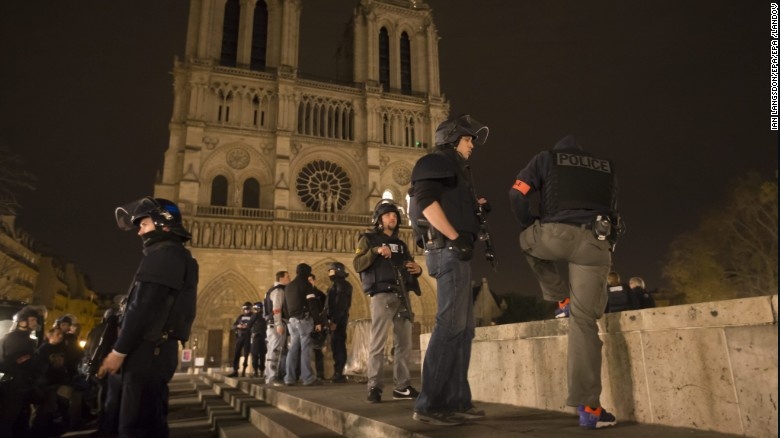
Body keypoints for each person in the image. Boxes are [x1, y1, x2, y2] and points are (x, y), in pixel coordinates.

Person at [508, 134, 619, 429]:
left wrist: (530, 223)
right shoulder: (605, 166)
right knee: (584, 324)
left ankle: (561, 298)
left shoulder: (547, 158)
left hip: (556, 235)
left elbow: (517, 194)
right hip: (596, 243)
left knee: (526, 240)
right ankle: (590, 409)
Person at [406, 115, 489, 426]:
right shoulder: (434, 161)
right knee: (449, 326)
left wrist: (476, 208)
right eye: (468, 139)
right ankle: (429, 404)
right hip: (448, 251)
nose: (472, 145)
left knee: (464, 330)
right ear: (452, 139)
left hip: (457, 253)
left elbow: (449, 205)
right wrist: (454, 237)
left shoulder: (455, 169)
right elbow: (425, 203)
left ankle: (457, 400)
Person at [97, 196, 199, 437]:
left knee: (135, 425)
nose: (139, 231)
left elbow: (144, 306)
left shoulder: (165, 255)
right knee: (144, 423)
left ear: (163, 224)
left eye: (143, 224)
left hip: (148, 351)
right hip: (154, 351)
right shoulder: (174, 255)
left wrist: (119, 351)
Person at [354, 199, 422, 404]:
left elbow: (410, 265)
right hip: (382, 294)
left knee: (404, 344)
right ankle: (374, 386)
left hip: (402, 295)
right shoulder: (368, 239)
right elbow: (357, 264)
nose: (393, 217)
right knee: (378, 343)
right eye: (388, 215)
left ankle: (402, 387)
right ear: (379, 220)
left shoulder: (401, 245)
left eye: (395, 215)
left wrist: (417, 269)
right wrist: (376, 251)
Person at [0, 305, 45, 437]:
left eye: (35, 320)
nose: (35, 323)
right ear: (22, 321)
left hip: (23, 384)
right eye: (32, 320)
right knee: (9, 417)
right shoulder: (15, 338)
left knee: (21, 417)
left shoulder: (25, 338)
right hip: (14, 385)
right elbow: (13, 363)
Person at [283, 263, 324, 386]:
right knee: (305, 348)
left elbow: (285, 306)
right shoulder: (306, 285)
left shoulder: (288, 286)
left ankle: (289, 378)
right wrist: (317, 321)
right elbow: (312, 304)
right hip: (303, 320)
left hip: (292, 321)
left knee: (293, 349)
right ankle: (308, 378)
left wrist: (289, 319)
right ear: (307, 273)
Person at [325, 262, 352, 383]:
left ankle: (339, 373)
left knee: (338, 345)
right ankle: (337, 372)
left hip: (339, 320)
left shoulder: (342, 285)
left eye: (331, 271)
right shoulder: (338, 285)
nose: (329, 273)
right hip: (337, 318)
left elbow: (340, 304)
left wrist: (335, 321)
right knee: (336, 345)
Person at [263, 270, 290, 386]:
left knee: (271, 350)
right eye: (287, 277)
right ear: (281, 278)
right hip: (276, 324)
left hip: (271, 324)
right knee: (276, 350)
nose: (289, 279)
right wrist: (279, 324)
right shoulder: (279, 291)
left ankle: (268, 375)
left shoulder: (270, 290)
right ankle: (273, 376)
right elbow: (276, 309)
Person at [308, 273, 327, 381]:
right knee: (305, 350)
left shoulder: (320, 294)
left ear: (314, 281)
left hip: (318, 325)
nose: (309, 282)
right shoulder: (303, 293)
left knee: (318, 350)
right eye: (308, 280)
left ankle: (320, 374)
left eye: (311, 280)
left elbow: (325, 309)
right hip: (307, 323)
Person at [228, 302, 254, 377]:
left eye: (248, 309)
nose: (246, 310)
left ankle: (244, 371)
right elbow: (233, 326)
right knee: (236, 353)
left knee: (246, 354)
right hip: (240, 336)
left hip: (248, 336)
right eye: (245, 309)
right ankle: (235, 370)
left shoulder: (253, 316)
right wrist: (238, 326)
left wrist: (248, 327)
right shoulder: (241, 316)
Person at [248, 301, 267, 378]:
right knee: (262, 354)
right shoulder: (265, 315)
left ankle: (255, 371)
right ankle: (261, 371)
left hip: (256, 336)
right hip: (264, 336)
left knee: (255, 354)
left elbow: (249, 324)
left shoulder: (255, 315)